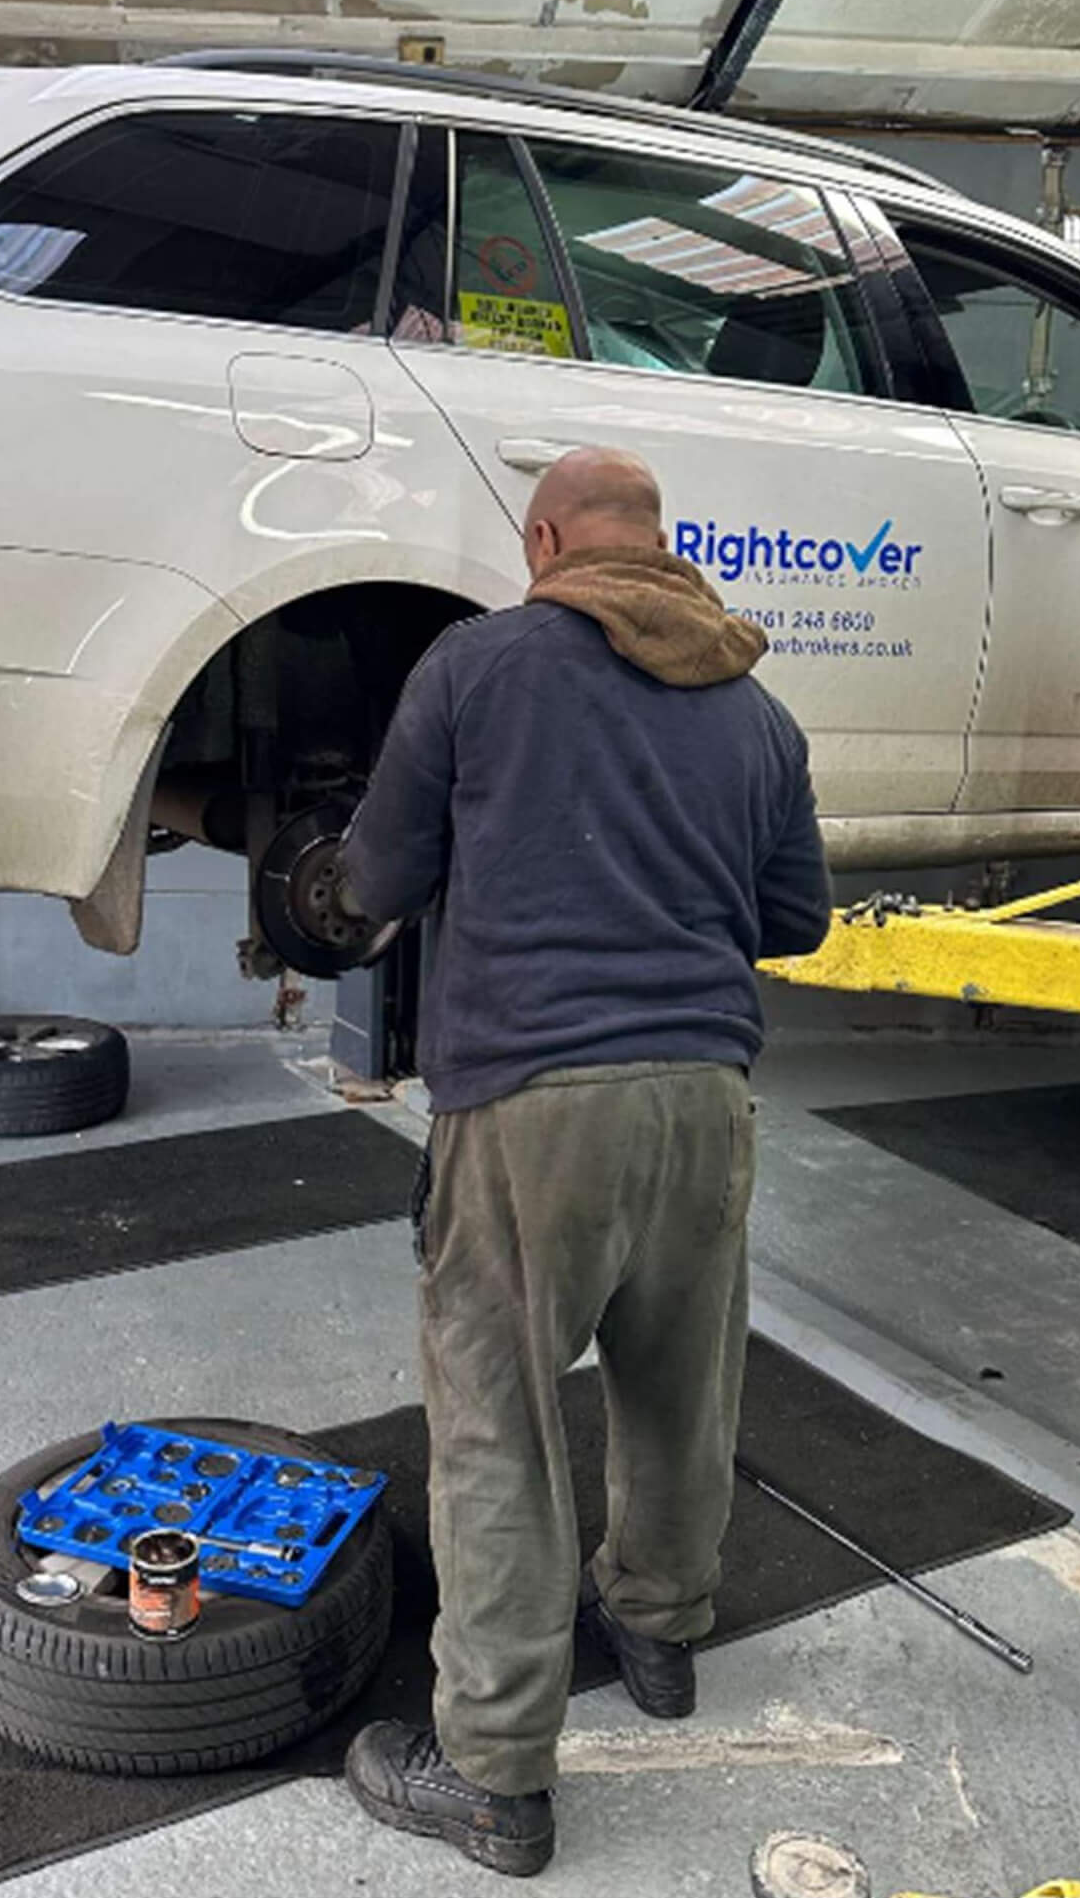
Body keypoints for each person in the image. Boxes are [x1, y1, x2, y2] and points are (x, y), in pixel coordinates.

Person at [338, 447, 832, 1878]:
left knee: (499, 1421)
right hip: (704, 1100)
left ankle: (494, 1776)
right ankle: (662, 1634)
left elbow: (373, 880)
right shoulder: (757, 707)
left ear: (547, 537)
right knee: (682, 1388)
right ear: (660, 547)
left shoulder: (476, 665)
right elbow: (793, 917)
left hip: (532, 1105)